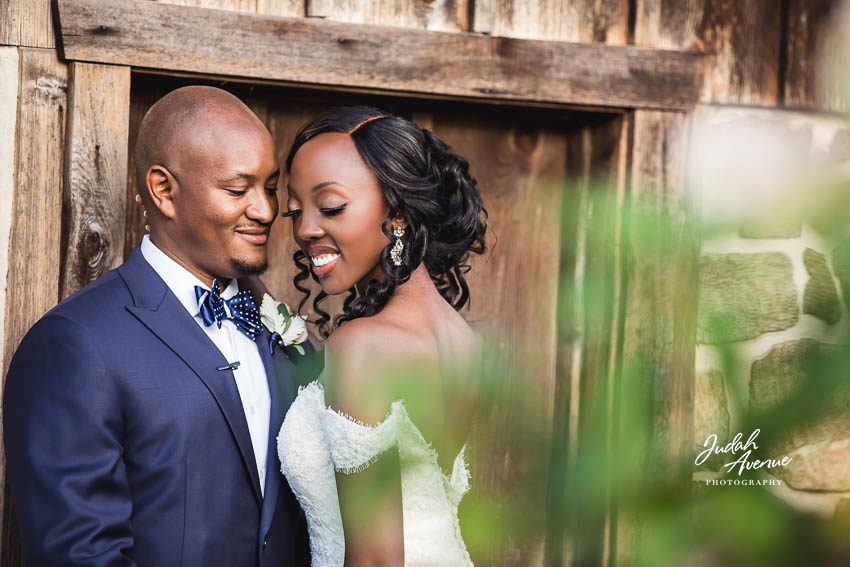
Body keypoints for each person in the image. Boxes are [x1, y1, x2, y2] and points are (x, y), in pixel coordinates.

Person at [3, 86, 313, 566]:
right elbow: (82, 554)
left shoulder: (281, 332)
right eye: (238, 190)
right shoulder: (75, 344)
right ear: (163, 190)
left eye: (269, 187)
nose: (266, 210)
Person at [263, 106, 488, 566]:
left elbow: (376, 560)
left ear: (398, 211)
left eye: (330, 207)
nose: (304, 229)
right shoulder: (461, 340)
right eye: (295, 210)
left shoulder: (364, 346)